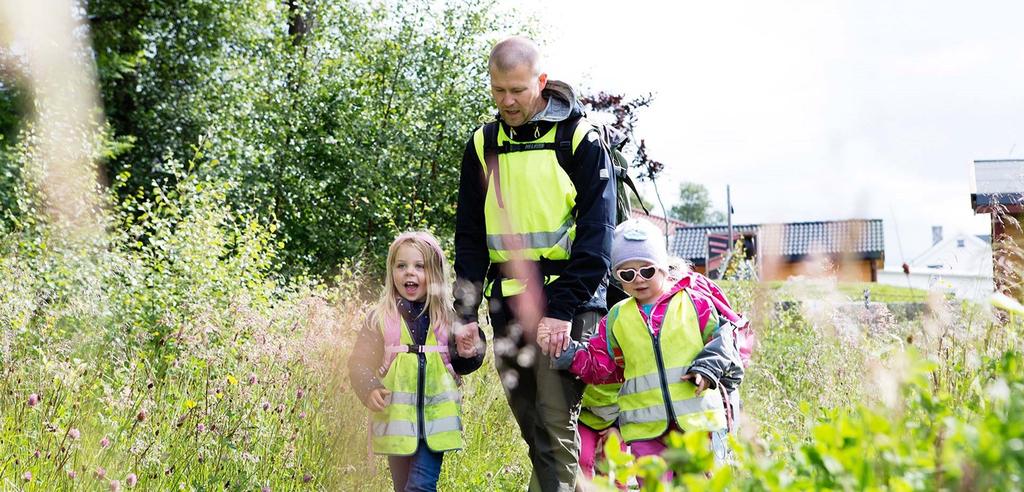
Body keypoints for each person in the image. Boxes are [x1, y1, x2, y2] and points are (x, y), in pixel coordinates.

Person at [452, 36, 616, 491]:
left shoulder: (579, 139)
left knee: (554, 431)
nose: (507, 101)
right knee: (535, 433)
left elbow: (597, 237)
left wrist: (562, 311)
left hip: (568, 305)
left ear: (541, 82)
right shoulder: (483, 144)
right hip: (505, 305)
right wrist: (464, 313)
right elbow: (469, 238)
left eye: (518, 90)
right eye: (498, 90)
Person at [550, 219, 745, 483]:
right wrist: (570, 354)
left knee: (701, 485)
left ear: (663, 267)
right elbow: (603, 366)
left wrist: (707, 369)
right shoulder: (617, 318)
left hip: (697, 423)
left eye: (647, 271)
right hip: (645, 431)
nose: (638, 279)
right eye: (627, 274)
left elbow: (722, 339)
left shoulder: (693, 303)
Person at [348, 231, 486, 492]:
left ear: (434, 273)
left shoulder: (448, 318)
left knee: (420, 487)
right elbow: (359, 361)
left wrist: (471, 351)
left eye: (419, 266)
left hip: (435, 426)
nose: (409, 273)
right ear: (392, 272)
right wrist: (369, 388)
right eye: (401, 266)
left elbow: (463, 364)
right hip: (397, 424)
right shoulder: (380, 318)